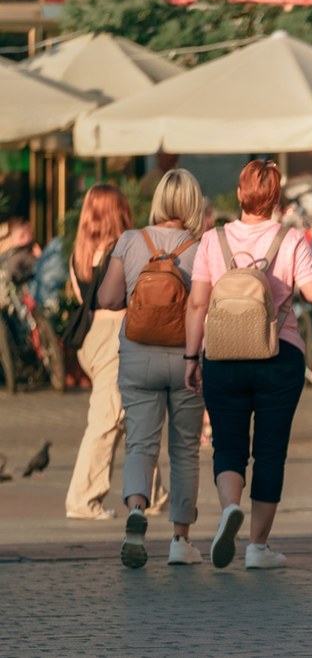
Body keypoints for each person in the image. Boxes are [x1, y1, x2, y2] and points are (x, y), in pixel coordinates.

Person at [183, 160, 312, 569]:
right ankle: (258, 547)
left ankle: (230, 507)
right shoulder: (292, 238)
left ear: (240, 194)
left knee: (227, 443)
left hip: (222, 354)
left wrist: (192, 357)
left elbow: (197, 303)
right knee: (270, 451)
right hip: (279, 354)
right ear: (276, 197)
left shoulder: (214, 240)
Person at [98, 169, 207, 568]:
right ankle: (181, 540)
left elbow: (108, 299)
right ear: (194, 202)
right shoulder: (203, 246)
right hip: (188, 358)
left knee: (140, 443)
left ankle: (137, 511)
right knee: (185, 450)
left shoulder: (129, 241)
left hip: (137, 355)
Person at [64, 185, 167, 520]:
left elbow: (81, 299)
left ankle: (153, 494)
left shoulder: (80, 253)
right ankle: (82, 499)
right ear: (118, 211)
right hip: (117, 334)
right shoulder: (124, 247)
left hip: (92, 337)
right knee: (107, 418)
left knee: (132, 412)